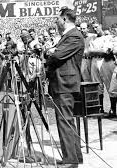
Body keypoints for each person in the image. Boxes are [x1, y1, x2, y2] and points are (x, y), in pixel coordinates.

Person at [45, 7, 84, 168]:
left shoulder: (74, 35)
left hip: (65, 84)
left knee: (64, 121)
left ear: (65, 19)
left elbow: (57, 55)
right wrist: (52, 51)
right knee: (67, 121)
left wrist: (51, 51)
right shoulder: (68, 36)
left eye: (57, 19)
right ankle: (75, 157)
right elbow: (55, 54)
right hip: (62, 83)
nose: (56, 22)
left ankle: (70, 160)